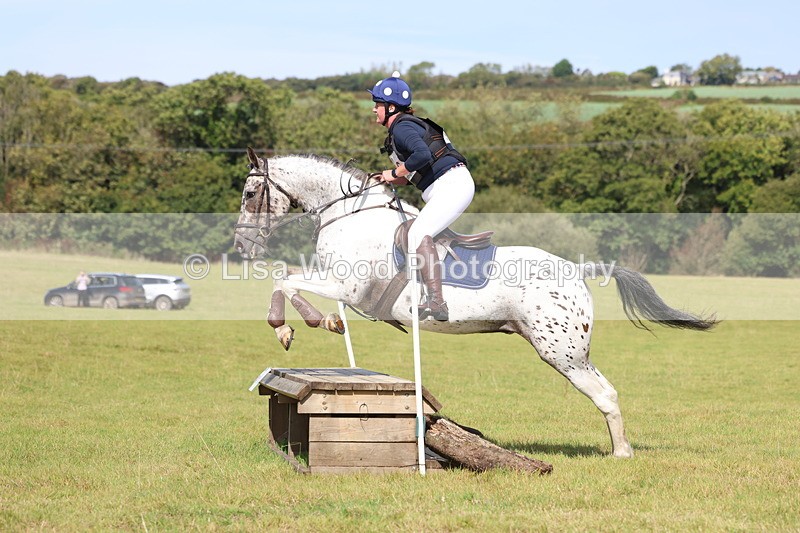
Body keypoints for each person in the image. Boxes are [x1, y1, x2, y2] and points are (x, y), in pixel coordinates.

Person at [369, 71, 475, 321]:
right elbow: (412, 172)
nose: (374, 110)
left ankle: (436, 302)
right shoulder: (403, 127)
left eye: (377, 105)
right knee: (419, 231)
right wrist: (387, 178)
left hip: (452, 185)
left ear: (391, 107)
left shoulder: (402, 127)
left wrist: (394, 171)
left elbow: (422, 156)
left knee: (417, 233)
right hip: (449, 185)